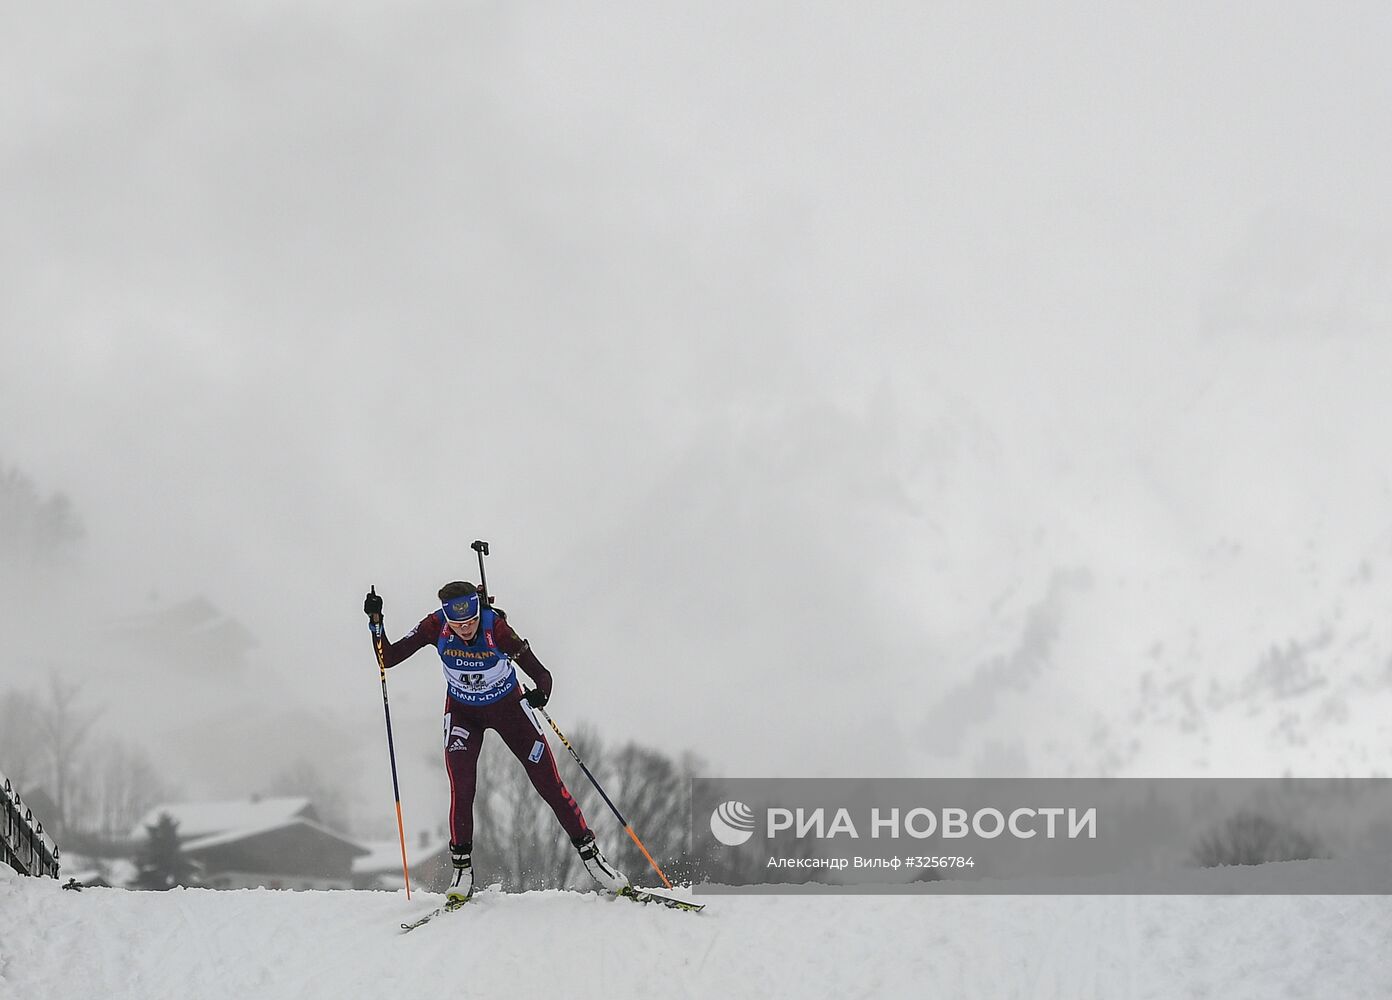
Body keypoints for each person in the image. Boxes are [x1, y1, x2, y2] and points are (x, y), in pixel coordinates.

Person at [364, 581, 628, 909]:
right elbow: (387, 658)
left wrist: (539, 694)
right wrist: (377, 622)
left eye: (471, 622)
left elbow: (542, 675)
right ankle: (461, 871)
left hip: (508, 711)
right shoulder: (435, 626)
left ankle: (594, 861)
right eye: (458, 624)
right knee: (462, 788)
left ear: (479, 612)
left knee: (549, 784)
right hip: (463, 714)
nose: (465, 629)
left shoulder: (497, 630)